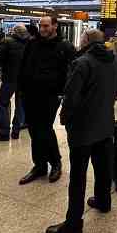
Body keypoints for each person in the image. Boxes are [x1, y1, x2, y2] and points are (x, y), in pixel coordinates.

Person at [46, 29, 116, 233]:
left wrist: (65, 118)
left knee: (78, 175)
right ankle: (104, 201)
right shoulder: (114, 60)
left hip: (84, 127)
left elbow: (71, 95)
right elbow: (115, 92)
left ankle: (73, 224)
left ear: (85, 41)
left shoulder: (82, 63)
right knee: (103, 166)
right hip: (105, 123)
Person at [17, 16, 76, 185]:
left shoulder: (65, 46)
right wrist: (21, 88)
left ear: (55, 26)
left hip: (51, 95)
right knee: (33, 129)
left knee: (44, 127)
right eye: (40, 25)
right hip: (30, 93)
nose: (42, 28)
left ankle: (55, 162)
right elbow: (23, 65)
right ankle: (39, 165)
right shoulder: (32, 43)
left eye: (46, 25)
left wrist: (63, 93)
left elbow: (72, 71)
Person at [0, 24, 29, 140]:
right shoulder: (28, 44)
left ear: (14, 32)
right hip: (24, 80)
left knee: (2, 103)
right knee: (20, 106)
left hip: (10, 79)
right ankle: (16, 131)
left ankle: (4, 131)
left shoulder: (7, 42)